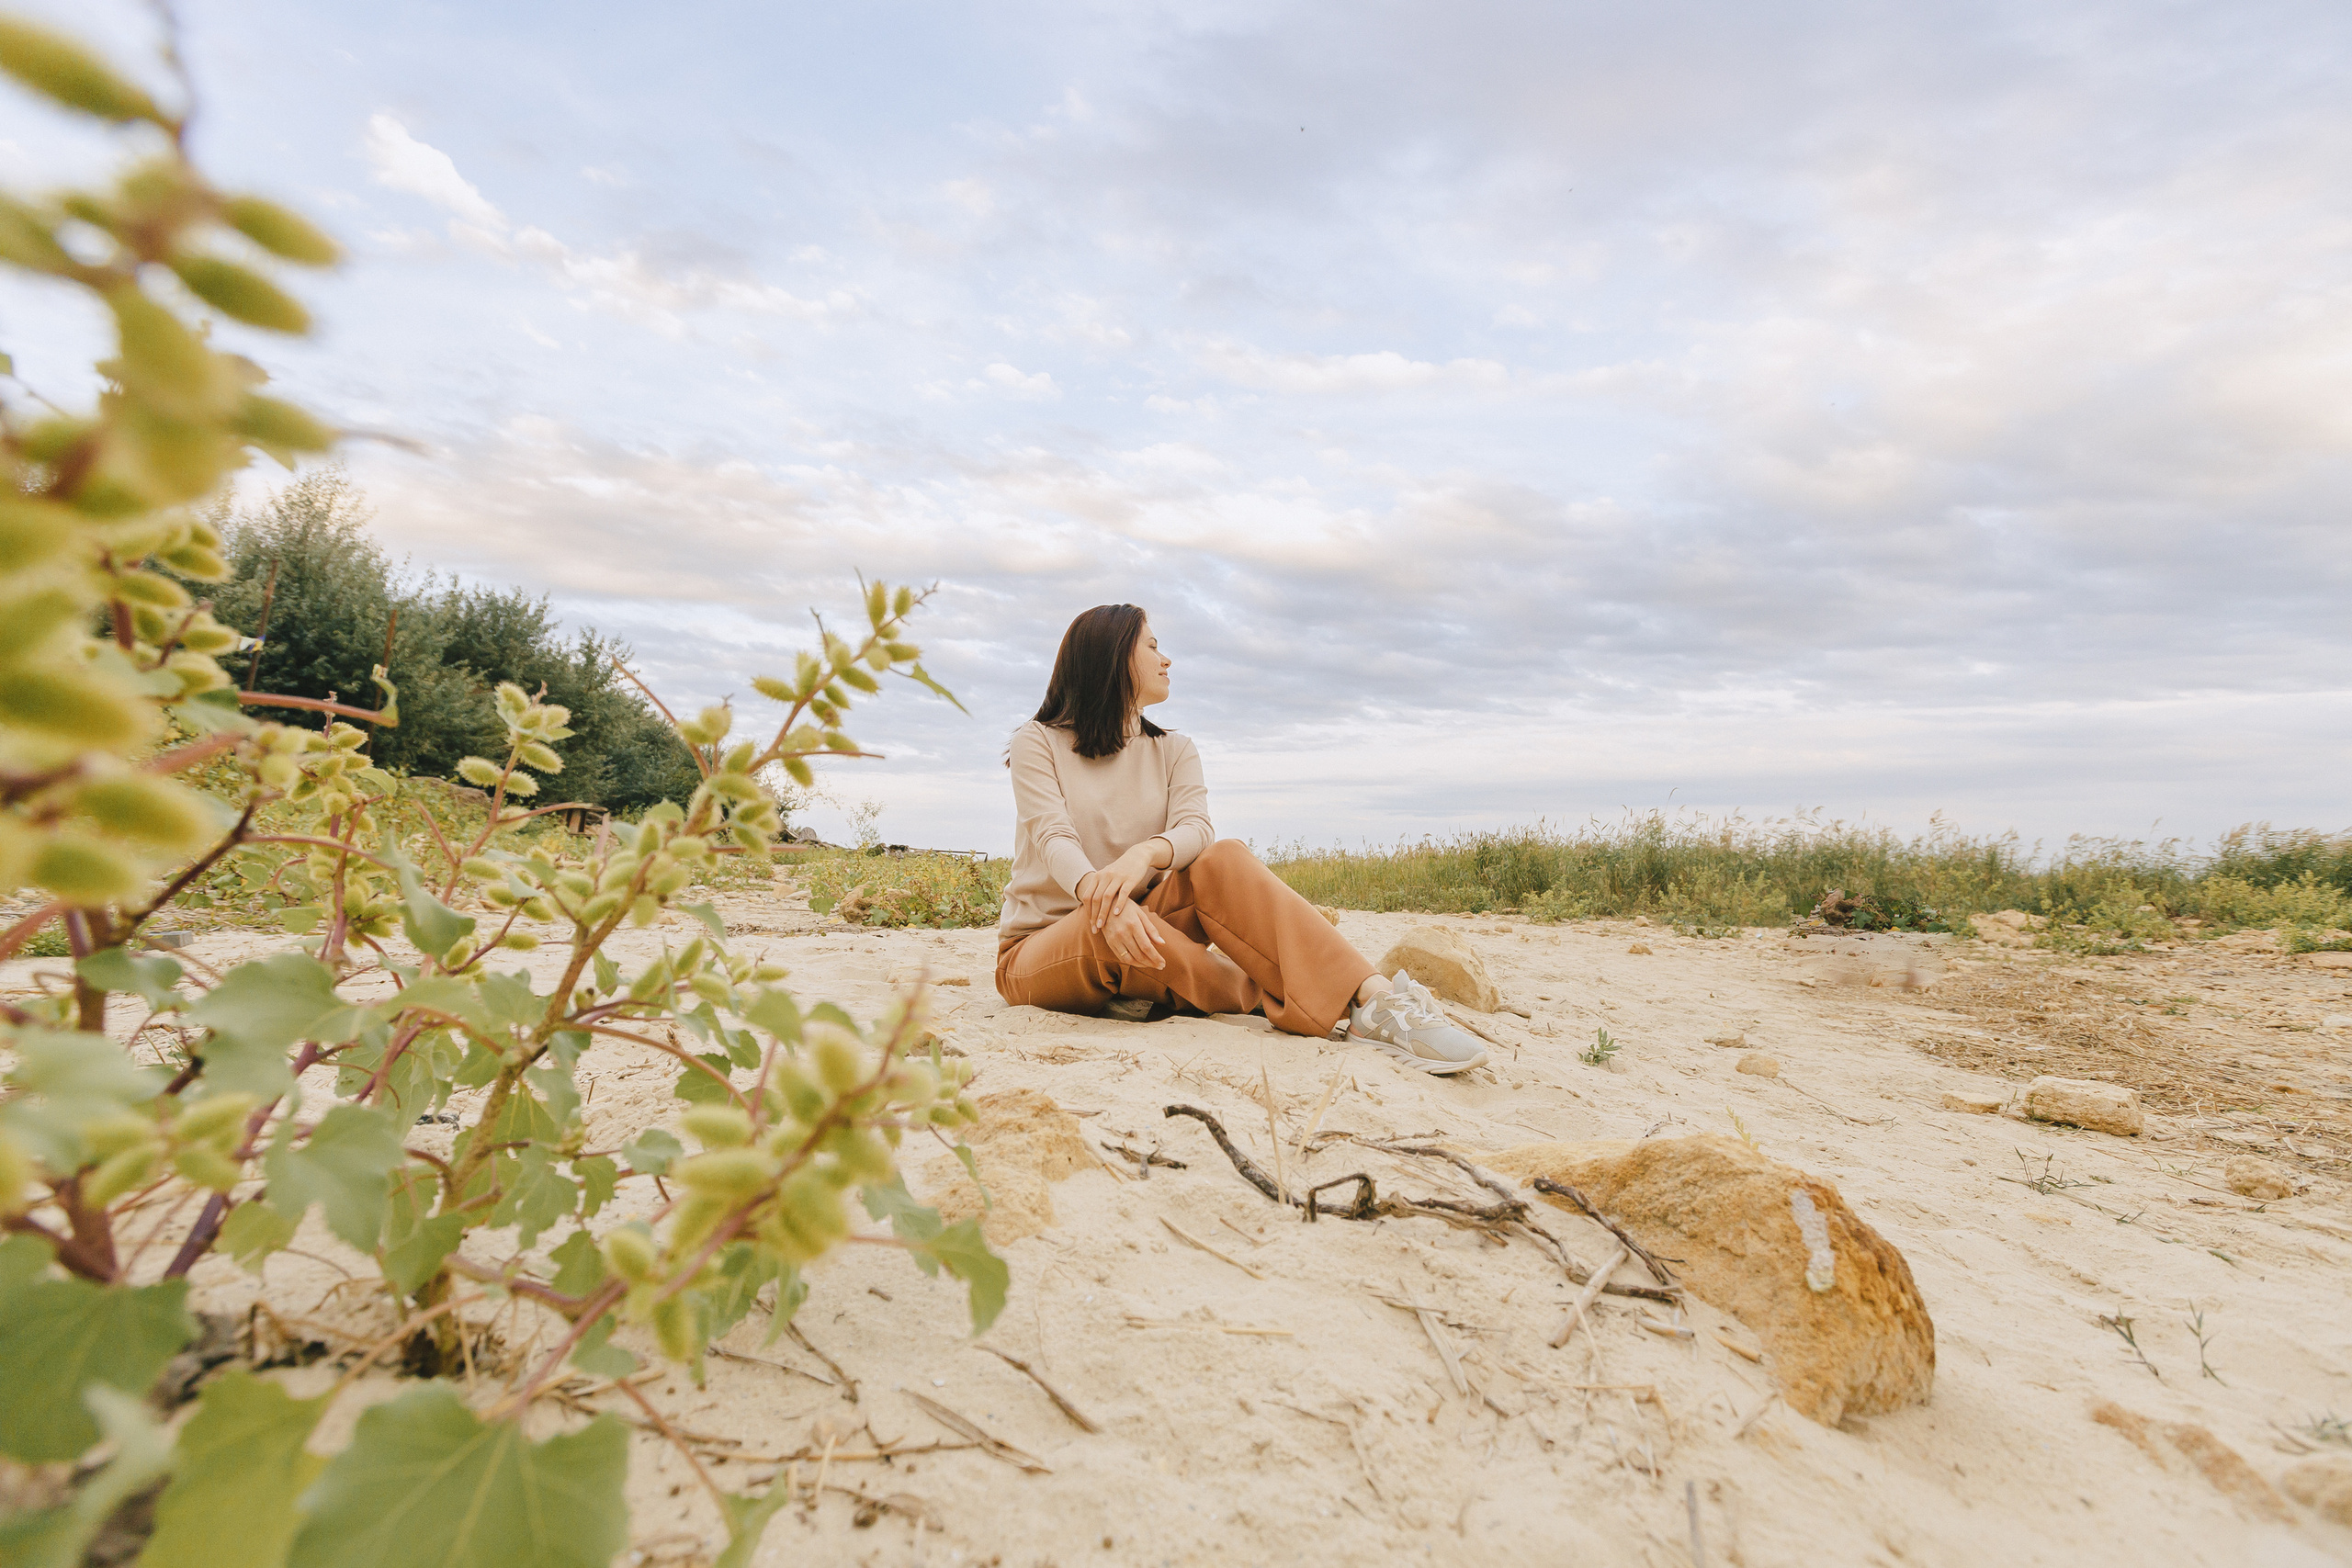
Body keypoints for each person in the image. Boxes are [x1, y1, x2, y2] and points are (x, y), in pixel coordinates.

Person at [993, 603, 1487, 1075]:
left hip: (1145, 918)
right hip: (1040, 947)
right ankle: (1283, 992)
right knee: (1106, 928)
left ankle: (1374, 1001)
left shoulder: (1174, 749)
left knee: (1222, 857)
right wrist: (1101, 898)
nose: (1167, 660)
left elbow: (1196, 829)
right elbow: (1052, 834)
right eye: (1152, 646)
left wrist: (1144, 855)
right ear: (1112, 654)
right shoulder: (1037, 741)